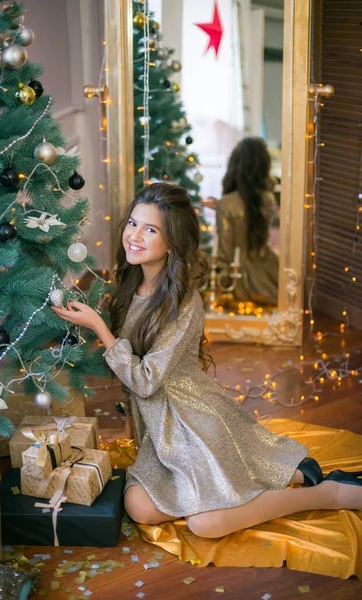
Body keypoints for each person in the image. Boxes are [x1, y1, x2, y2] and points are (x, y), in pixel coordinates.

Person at [52, 182, 362, 539]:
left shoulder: (184, 303)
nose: (134, 236)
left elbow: (145, 380)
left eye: (150, 229)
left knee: (205, 525)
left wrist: (97, 326)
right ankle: (291, 474)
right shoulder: (128, 283)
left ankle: (326, 493)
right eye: (132, 223)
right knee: (139, 507)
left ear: (173, 243)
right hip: (157, 430)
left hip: (190, 422)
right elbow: (129, 370)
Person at [216, 137, 279, 305]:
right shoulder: (268, 198)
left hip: (240, 280)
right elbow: (248, 215)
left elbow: (225, 253)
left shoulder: (227, 204)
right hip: (269, 271)